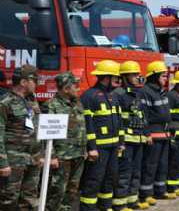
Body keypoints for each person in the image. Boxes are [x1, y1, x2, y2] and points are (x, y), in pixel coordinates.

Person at [79, 60, 125, 211]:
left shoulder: (113, 96)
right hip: (98, 148)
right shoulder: (89, 96)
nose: (118, 81)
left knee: (110, 178)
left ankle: (105, 207)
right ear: (106, 77)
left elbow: (119, 121)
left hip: (113, 147)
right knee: (94, 180)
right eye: (115, 78)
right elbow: (88, 124)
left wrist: (121, 142)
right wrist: (91, 148)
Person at [0, 65, 43, 210]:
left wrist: (41, 154)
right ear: (23, 82)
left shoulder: (32, 101)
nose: (36, 83)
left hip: (33, 158)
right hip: (14, 160)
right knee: (8, 198)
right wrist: (3, 163)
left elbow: (38, 129)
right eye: (34, 80)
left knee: (30, 198)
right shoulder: (5, 102)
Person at [112, 61, 150, 211]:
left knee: (136, 170)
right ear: (125, 76)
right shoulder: (119, 94)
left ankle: (132, 201)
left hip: (139, 138)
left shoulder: (138, 93)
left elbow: (143, 116)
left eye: (137, 74)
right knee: (125, 172)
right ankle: (120, 204)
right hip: (126, 140)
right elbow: (117, 120)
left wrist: (146, 134)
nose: (137, 77)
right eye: (134, 74)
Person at [46, 72, 86, 211]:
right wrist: (51, 156)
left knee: (72, 190)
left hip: (78, 154)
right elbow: (46, 134)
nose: (78, 88)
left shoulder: (77, 103)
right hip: (62, 156)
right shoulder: (51, 105)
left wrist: (84, 149)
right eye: (76, 86)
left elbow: (82, 127)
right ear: (66, 89)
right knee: (57, 191)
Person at [137, 61, 172, 203]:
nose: (166, 79)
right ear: (154, 76)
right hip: (153, 134)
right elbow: (143, 115)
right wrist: (146, 134)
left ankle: (160, 190)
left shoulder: (161, 92)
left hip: (164, 134)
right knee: (150, 165)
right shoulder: (145, 92)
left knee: (162, 164)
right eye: (163, 76)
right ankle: (146, 194)